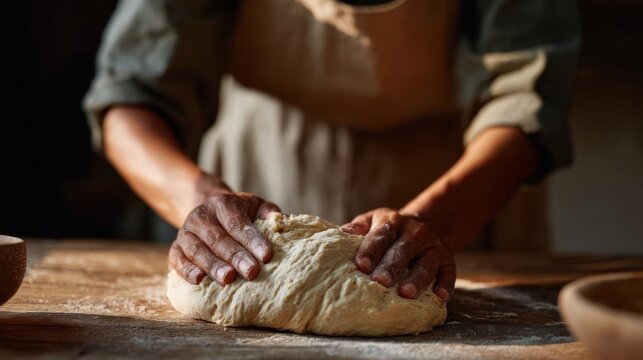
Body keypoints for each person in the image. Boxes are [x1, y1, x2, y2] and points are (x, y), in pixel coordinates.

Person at [84, 0, 580, 302]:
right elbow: (129, 94)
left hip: (459, 184)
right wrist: (198, 197)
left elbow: (527, 96)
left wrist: (439, 222)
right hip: (259, 165)